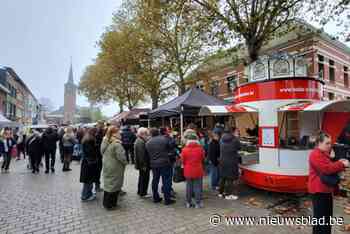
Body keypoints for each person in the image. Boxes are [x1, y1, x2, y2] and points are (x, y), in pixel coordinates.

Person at [308, 131, 349, 234]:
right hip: (319, 191)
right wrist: (341, 164)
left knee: (326, 219)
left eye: (330, 143)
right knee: (321, 220)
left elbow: (329, 167)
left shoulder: (323, 154)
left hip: (325, 190)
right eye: (327, 143)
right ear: (319, 143)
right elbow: (326, 169)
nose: (330, 145)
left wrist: (337, 161)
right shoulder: (315, 154)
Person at [146, 128, 176, 205]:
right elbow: (171, 147)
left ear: (151, 134)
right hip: (165, 163)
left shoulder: (148, 142)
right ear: (158, 132)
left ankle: (155, 198)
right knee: (166, 181)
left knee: (155, 180)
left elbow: (148, 154)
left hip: (154, 164)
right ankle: (167, 199)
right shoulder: (164, 139)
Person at [101, 126, 128, 210]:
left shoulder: (105, 141)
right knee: (114, 185)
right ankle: (111, 204)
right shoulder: (117, 144)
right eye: (118, 132)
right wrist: (125, 162)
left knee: (108, 185)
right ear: (114, 133)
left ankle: (106, 203)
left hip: (107, 165)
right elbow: (121, 157)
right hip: (115, 167)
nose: (120, 133)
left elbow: (102, 152)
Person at [180, 132, 205, 208]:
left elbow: (183, 161)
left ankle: (188, 202)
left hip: (188, 170)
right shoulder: (200, 149)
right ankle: (198, 203)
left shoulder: (184, 150)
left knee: (189, 187)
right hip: (198, 170)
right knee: (197, 187)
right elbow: (203, 159)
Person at [218, 127, 241, 200]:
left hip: (223, 160)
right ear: (231, 132)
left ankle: (220, 193)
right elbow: (239, 147)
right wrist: (237, 138)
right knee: (230, 178)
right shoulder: (235, 139)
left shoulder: (221, 139)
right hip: (231, 160)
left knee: (223, 177)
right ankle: (229, 195)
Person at [80, 128, 99, 201]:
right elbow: (90, 152)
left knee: (89, 180)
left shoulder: (87, 140)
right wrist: (96, 148)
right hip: (89, 163)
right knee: (88, 181)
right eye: (95, 133)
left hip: (88, 163)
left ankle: (89, 194)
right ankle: (85, 196)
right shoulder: (89, 141)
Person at [134, 127, 150, 197]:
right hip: (143, 164)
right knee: (144, 178)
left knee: (142, 178)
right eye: (146, 133)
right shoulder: (140, 141)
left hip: (142, 164)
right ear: (142, 134)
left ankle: (140, 191)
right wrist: (144, 165)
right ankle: (143, 193)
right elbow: (141, 155)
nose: (147, 135)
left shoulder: (139, 140)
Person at [95, 121, 105, 192]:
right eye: (102, 125)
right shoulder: (98, 134)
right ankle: (97, 186)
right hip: (98, 155)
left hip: (99, 155)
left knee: (98, 171)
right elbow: (98, 145)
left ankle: (97, 185)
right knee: (98, 171)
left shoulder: (99, 133)